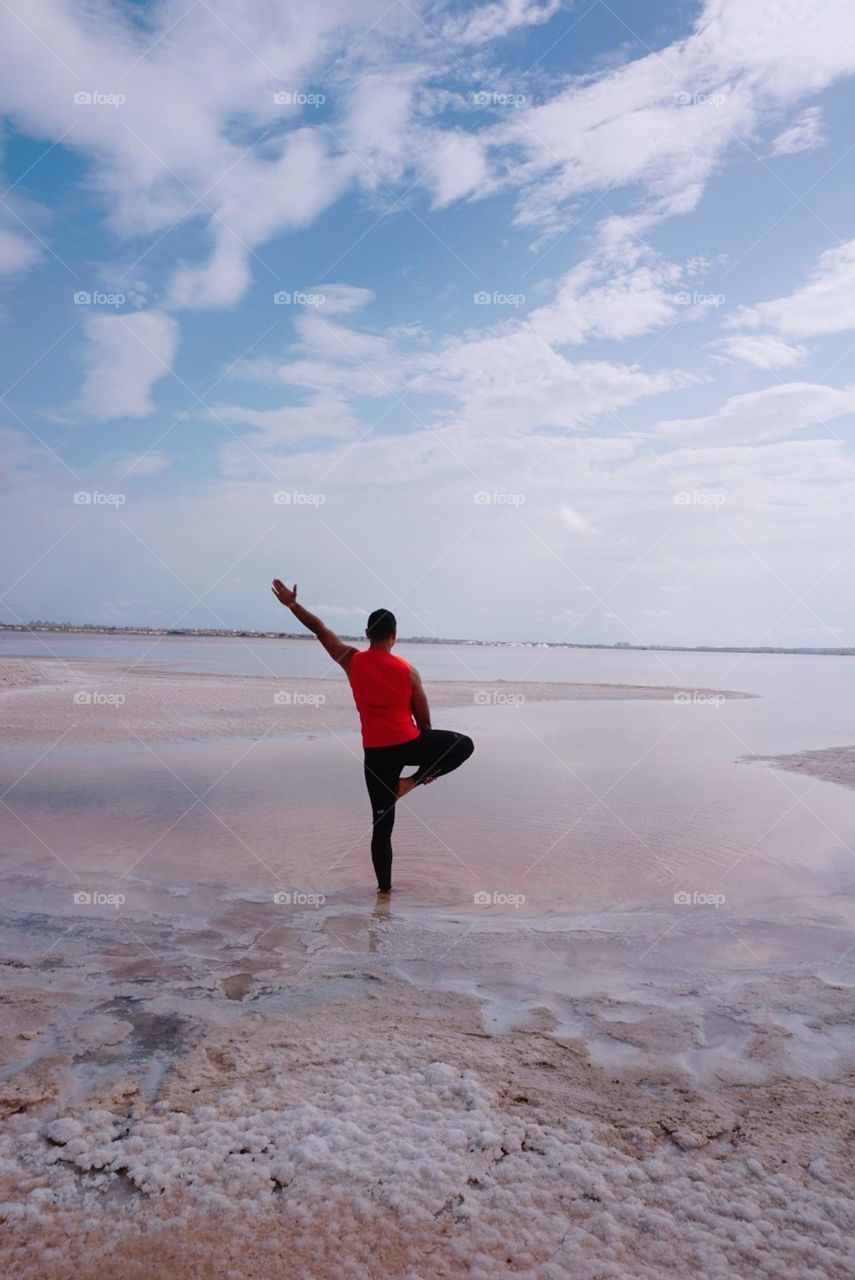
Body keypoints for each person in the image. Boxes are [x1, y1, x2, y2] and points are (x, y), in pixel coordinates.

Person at [271, 580, 474, 893]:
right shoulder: (408, 670)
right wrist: (428, 769)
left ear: (367, 634)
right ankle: (410, 784)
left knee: (382, 828)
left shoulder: (352, 660)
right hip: (409, 745)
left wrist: (293, 605)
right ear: (394, 637)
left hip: (376, 755)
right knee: (464, 745)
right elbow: (426, 724)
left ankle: (384, 895)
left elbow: (320, 630)